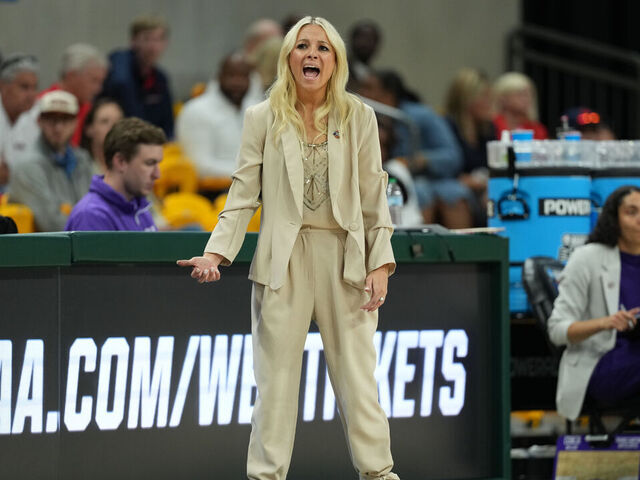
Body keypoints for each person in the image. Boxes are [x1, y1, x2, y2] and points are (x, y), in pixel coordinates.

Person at [178, 16, 400, 480]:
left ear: (335, 59)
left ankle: (379, 474)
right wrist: (216, 253)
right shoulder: (262, 116)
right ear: (287, 58)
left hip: (347, 260)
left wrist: (380, 263)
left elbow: (374, 195)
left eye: (322, 47)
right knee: (275, 386)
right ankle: (266, 476)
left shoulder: (358, 115)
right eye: (303, 46)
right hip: (283, 261)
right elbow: (242, 195)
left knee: (359, 384)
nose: (312, 54)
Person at [548, 185, 640, 421]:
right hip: (601, 364)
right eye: (632, 212)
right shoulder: (587, 258)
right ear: (614, 220)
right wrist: (606, 323)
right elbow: (558, 330)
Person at [359, 69, 469, 227]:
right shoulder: (361, 117)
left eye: (368, 88)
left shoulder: (420, 116)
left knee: (452, 193)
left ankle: (448, 249)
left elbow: (452, 156)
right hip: (380, 174)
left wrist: (421, 160)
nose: (361, 94)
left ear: (387, 95)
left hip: (421, 177)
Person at [8, 90, 93, 231]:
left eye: (65, 119)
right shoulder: (26, 166)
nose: (58, 127)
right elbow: (52, 224)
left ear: (76, 123)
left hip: (79, 243)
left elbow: (94, 207)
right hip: (43, 249)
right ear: (39, 121)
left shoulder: (82, 159)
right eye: (51, 119)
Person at [66, 117, 165, 231]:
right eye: (149, 163)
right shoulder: (91, 216)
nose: (157, 174)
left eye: (157, 163)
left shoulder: (141, 209)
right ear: (120, 161)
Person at [176, 53, 259, 178]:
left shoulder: (256, 109)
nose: (238, 82)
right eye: (232, 76)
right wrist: (253, 174)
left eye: (243, 76)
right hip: (212, 192)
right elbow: (200, 167)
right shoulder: (196, 111)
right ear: (219, 77)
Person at [100, 15, 174, 137]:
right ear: (133, 41)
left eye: (158, 39)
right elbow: (133, 119)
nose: (153, 47)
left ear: (166, 43)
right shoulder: (120, 67)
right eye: (147, 39)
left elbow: (168, 124)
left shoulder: (160, 78)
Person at [444, 68, 496, 226]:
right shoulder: (447, 126)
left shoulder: (488, 129)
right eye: (484, 97)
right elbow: (448, 172)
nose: (489, 103)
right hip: (457, 191)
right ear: (466, 99)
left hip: (482, 192)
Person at [40, 43, 109, 146]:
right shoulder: (41, 106)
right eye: (94, 81)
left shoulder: (90, 111)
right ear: (71, 76)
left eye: (101, 82)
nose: (98, 89)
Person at [0, 53, 39, 188]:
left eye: (34, 88)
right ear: (3, 87)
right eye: (24, 87)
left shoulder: (36, 117)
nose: (31, 95)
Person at [493, 71, 548, 140]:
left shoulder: (536, 128)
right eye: (520, 94)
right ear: (503, 97)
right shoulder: (492, 125)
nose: (527, 99)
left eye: (529, 94)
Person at [80, 98, 124, 173]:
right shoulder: (79, 166)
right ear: (89, 129)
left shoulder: (131, 167)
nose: (112, 126)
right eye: (104, 121)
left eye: (118, 121)